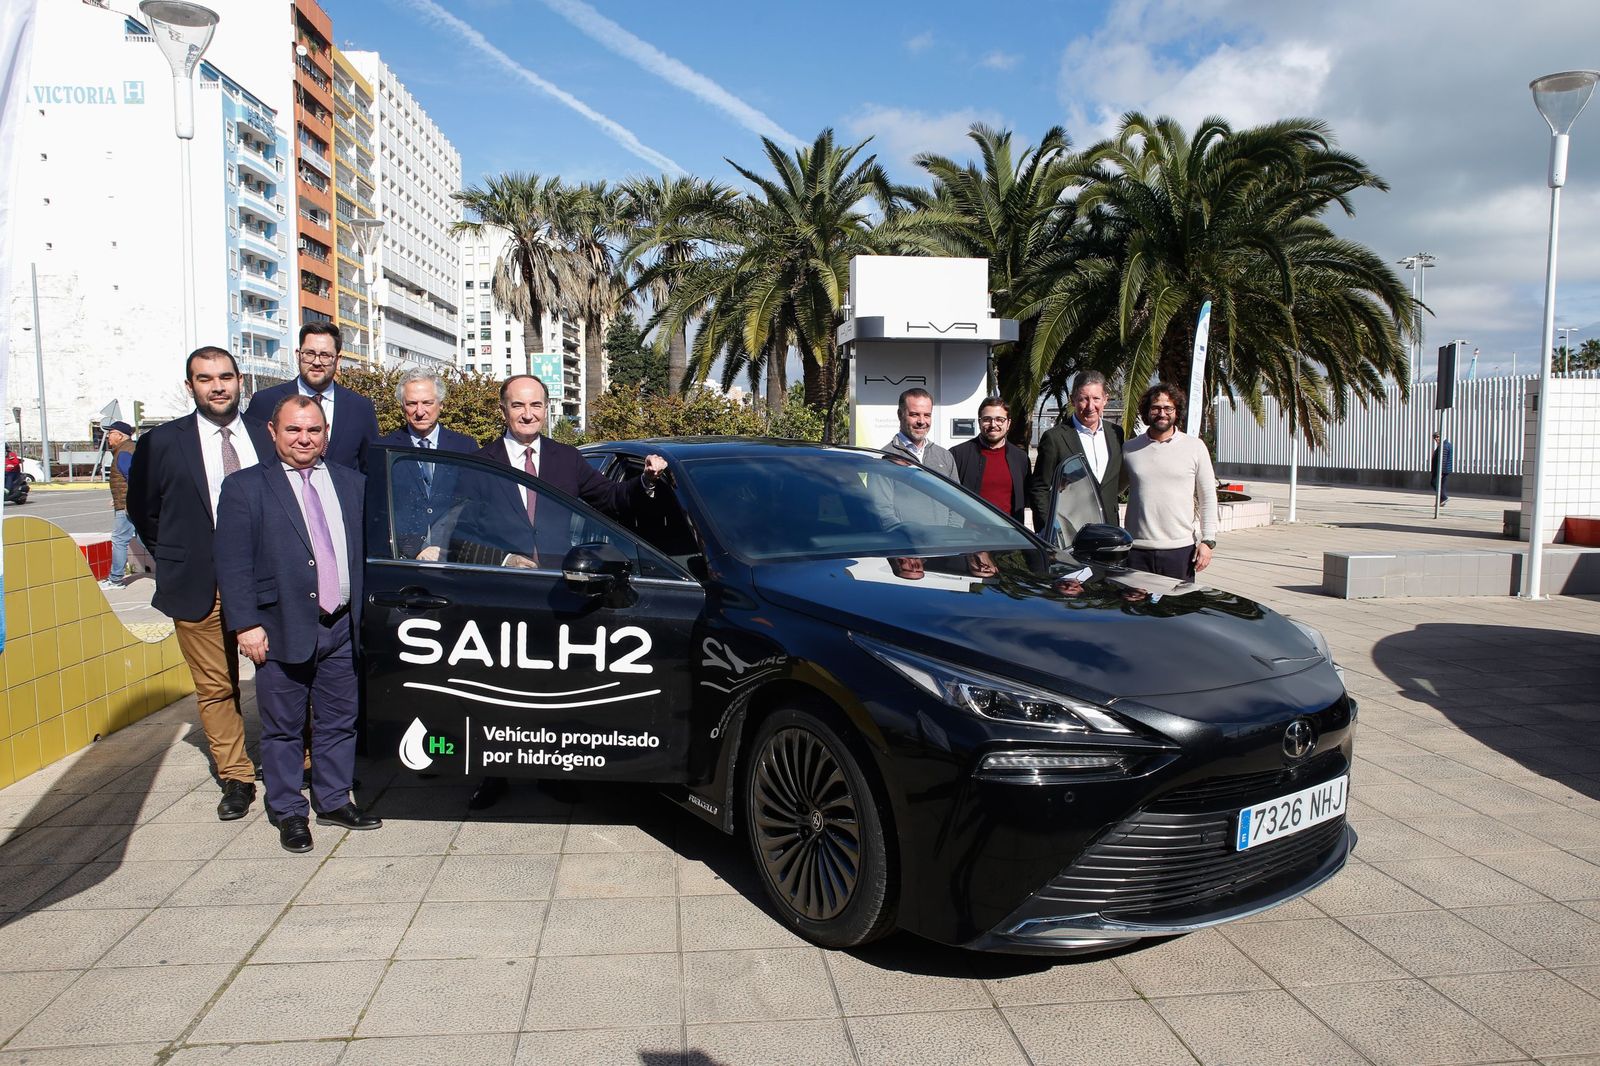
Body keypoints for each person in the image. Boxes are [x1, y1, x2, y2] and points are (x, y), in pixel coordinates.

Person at [455, 374, 667, 809]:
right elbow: (461, 537)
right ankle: (494, 773)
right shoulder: (481, 463)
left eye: (535, 405)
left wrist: (646, 481)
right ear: (503, 410)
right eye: (518, 405)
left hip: (556, 591)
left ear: (546, 408)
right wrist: (504, 560)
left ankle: (552, 769)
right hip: (503, 594)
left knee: (552, 686)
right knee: (499, 687)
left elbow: (612, 498)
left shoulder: (566, 459)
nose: (527, 414)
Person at [215, 396, 378, 853]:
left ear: (326, 434)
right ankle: (288, 810)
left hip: (342, 625)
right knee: (283, 728)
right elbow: (232, 563)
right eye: (293, 430)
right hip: (278, 627)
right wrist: (246, 625)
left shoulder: (352, 483)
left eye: (313, 430)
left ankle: (333, 800)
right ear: (273, 432)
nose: (304, 439)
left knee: (339, 722)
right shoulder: (245, 487)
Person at [127, 347, 275, 821]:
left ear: (240, 381)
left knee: (282, 674)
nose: (217, 386)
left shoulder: (267, 433)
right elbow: (143, 511)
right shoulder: (161, 442)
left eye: (225, 376)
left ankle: (298, 760)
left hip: (264, 579)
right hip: (197, 583)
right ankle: (236, 776)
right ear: (189, 386)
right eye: (205, 378)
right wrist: (181, 555)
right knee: (216, 686)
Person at [244, 322, 379, 470]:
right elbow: (251, 459)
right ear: (298, 355)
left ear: (338, 359)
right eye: (310, 353)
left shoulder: (361, 408)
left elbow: (371, 467)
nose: (316, 362)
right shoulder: (265, 402)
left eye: (325, 355)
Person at [1121, 382, 1219, 581]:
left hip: (1180, 552)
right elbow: (1111, 490)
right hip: (1137, 551)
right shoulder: (1129, 449)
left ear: (1177, 411)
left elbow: (1208, 496)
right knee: (1134, 603)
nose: (1162, 413)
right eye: (1156, 408)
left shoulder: (1195, 447)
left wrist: (1208, 541)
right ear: (1147, 411)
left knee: (1177, 603)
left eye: (1168, 408)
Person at [375, 369, 478, 557]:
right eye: (412, 404)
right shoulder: (383, 449)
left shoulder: (465, 447)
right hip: (403, 558)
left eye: (427, 403)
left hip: (453, 555)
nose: (420, 411)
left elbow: (472, 505)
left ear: (441, 404)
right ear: (402, 406)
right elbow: (380, 510)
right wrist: (413, 550)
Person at [1030, 370, 1125, 531]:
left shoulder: (1116, 433)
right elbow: (1040, 489)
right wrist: (1049, 530)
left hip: (1109, 530)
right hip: (1071, 532)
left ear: (1105, 400)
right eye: (1083, 399)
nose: (1090, 406)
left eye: (1096, 399)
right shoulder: (1055, 438)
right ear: (1072, 400)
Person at [950, 397, 1029, 523]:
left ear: (1008, 423)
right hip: (969, 532)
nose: (993, 425)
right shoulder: (957, 455)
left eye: (999, 419)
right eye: (987, 419)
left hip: (1010, 532)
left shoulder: (1020, 458)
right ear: (979, 422)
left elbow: (1025, 497)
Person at [100, 421, 142, 591]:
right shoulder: (129, 449)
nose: (108, 437)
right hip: (131, 503)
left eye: (110, 433)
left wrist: (127, 501)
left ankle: (115, 579)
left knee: (119, 540)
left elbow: (133, 478)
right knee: (145, 540)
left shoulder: (124, 452)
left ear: (120, 435)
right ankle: (168, 574)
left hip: (128, 507)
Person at [1431, 431, 1454, 505]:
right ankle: (1441, 501)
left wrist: (1440, 472)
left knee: (1434, 483)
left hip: (1441, 470)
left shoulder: (1444, 446)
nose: (1436, 439)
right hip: (1445, 470)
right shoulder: (1446, 444)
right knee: (1441, 485)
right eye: (1435, 438)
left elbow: (1443, 460)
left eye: (1437, 437)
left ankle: (1444, 498)